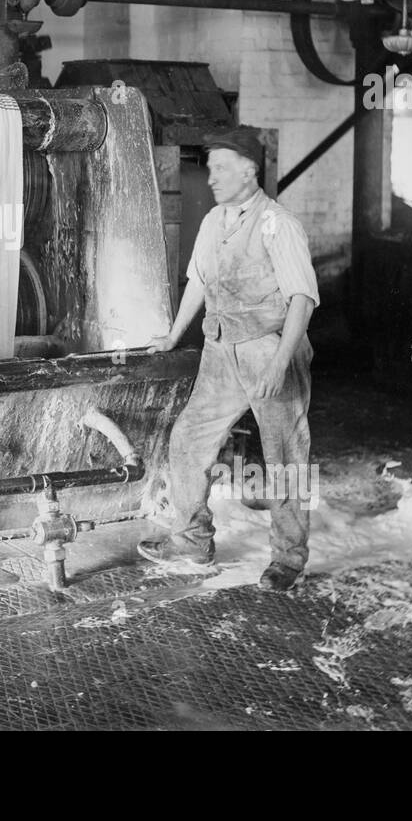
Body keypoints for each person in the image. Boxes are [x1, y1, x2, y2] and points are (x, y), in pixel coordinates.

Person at [142, 127, 319, 591]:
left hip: (269, 347)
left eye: (221, 167)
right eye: (210, 167)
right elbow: (198, 283)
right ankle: (191, 542)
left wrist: (280, 363)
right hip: (221, 349)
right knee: (187, 440)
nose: (212, 176)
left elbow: (302, 298)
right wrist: (172, 336)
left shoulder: (278, 224)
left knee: (285, 458)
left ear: (250, 169)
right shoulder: (215, 221)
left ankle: (289, 558)